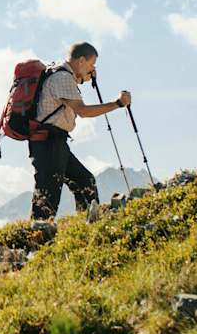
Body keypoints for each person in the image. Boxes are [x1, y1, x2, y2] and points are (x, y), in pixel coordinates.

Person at [29, 42, 131, 221]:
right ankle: (37, 235)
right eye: (92, 64)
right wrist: (118, 104)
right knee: (47, 196)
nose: (92, 69)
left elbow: (69, 94)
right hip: (49, 142)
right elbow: (83, 111)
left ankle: (87, 224)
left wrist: (84, 78)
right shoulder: (62, 78)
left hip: (55, 142)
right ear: (82, 61)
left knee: (85, 181)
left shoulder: (61, 74)